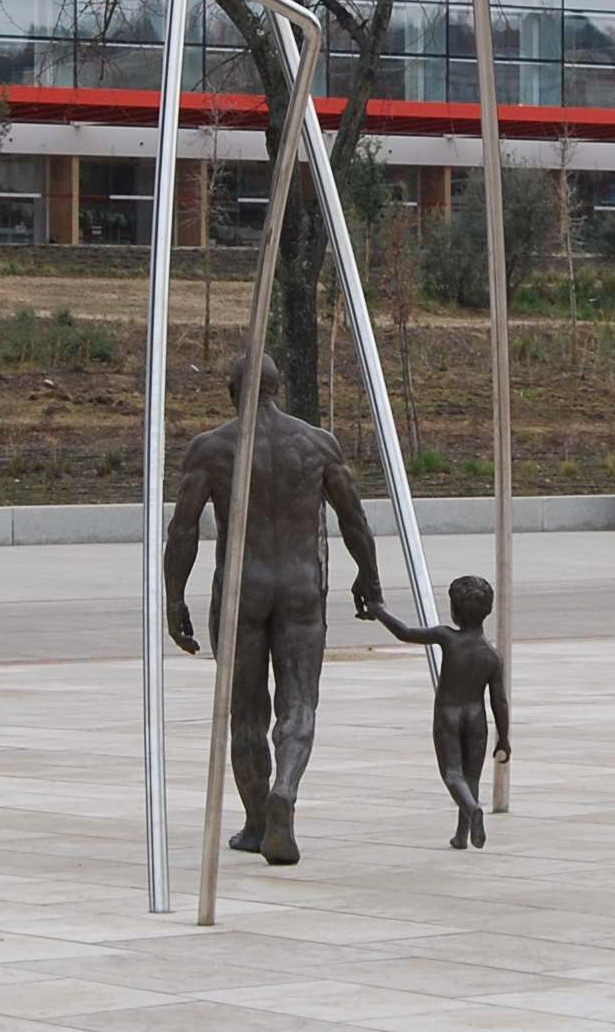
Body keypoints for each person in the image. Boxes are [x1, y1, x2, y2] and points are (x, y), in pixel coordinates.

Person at [163, 363, 385, 869]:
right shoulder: (317, 443)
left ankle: (259, 822)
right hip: (302, 586)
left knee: (246, 711)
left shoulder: (211, 447)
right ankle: (285, 787)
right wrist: (368, 576)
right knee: (299, 702)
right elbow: (354, 517)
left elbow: (183, 530)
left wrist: (174, 598)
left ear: (231, 392)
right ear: (278, 388)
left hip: (243, 588)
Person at [373, 573, 511, 850]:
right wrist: (504, 738)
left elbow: (405, 633)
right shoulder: (492, 655)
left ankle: (473, 812)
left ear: (455, 611)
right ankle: (462, 834)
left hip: (448, 715)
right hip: (476, 719)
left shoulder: (447, 637)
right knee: (471, 777)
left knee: (452, 774)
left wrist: (378, 610)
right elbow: (499, 701)